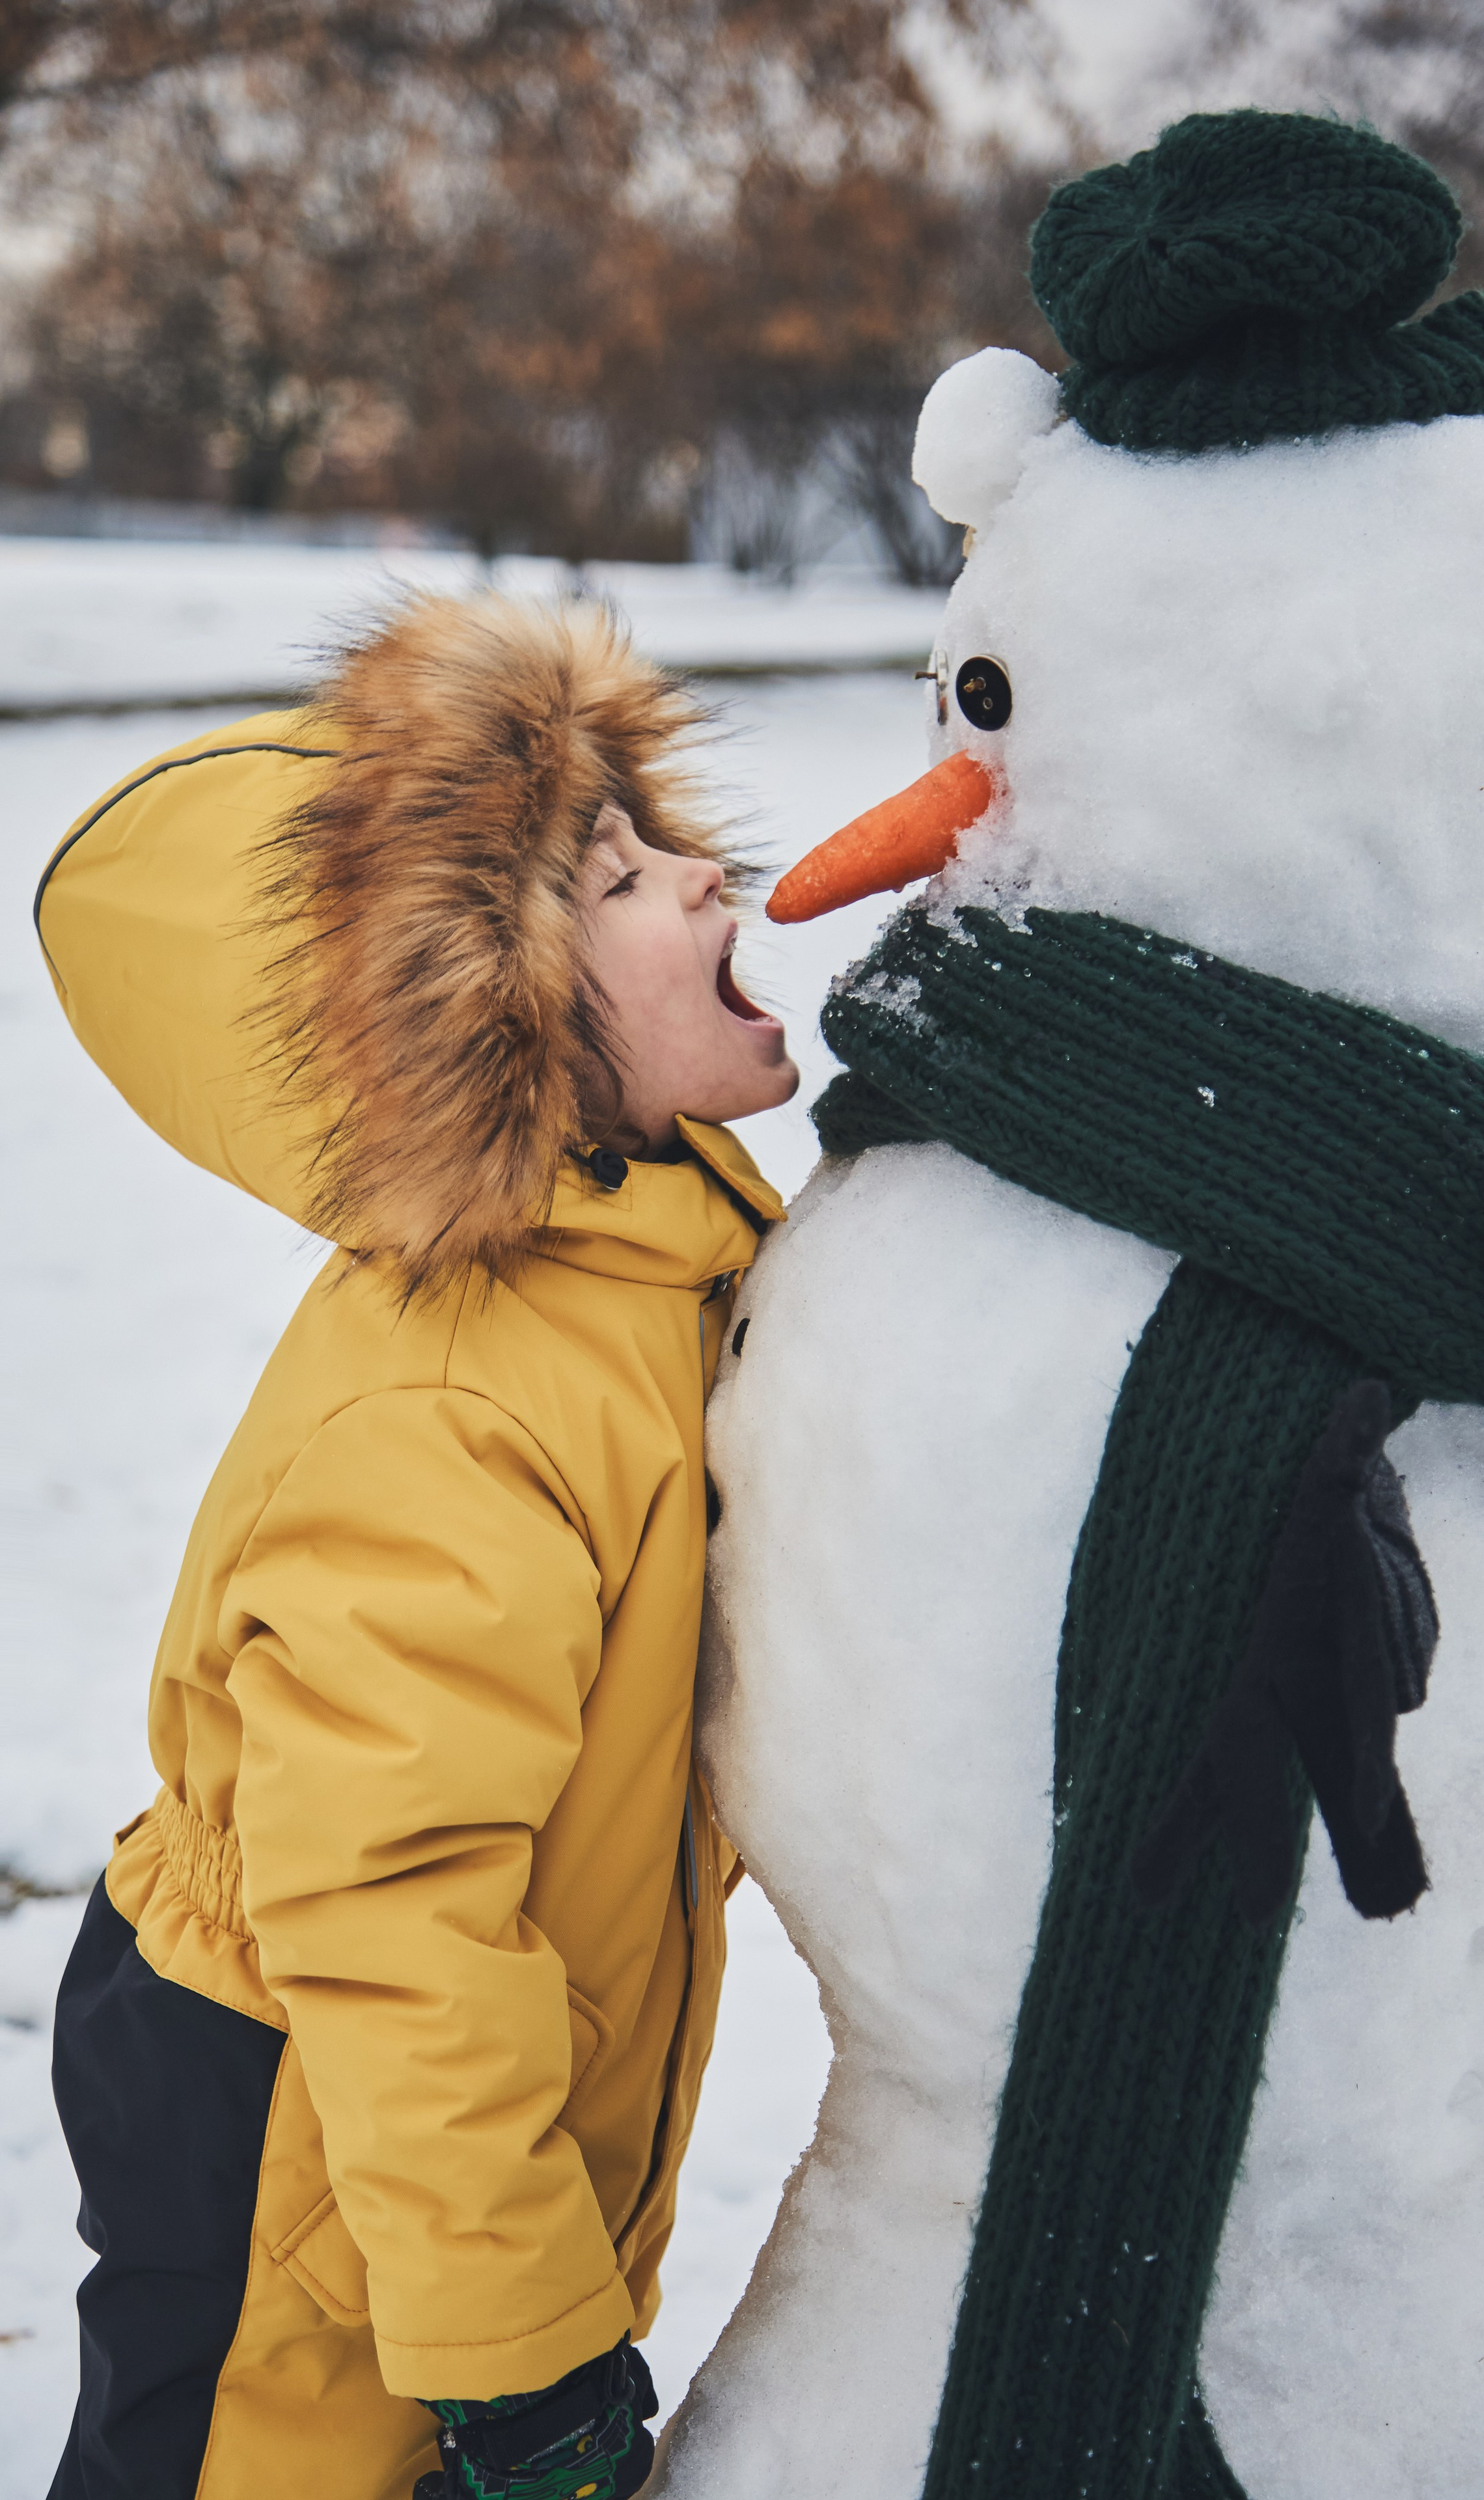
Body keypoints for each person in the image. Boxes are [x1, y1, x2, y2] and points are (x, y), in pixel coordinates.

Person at [35, 593, 798, 2498]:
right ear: (490, 1025)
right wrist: (526, 2364)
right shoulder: (454, 1413)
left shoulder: (640, 1262)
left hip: (408, 2131)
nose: (705, 875)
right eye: (619, 874)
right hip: (303, 2122)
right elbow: (394, 1912)